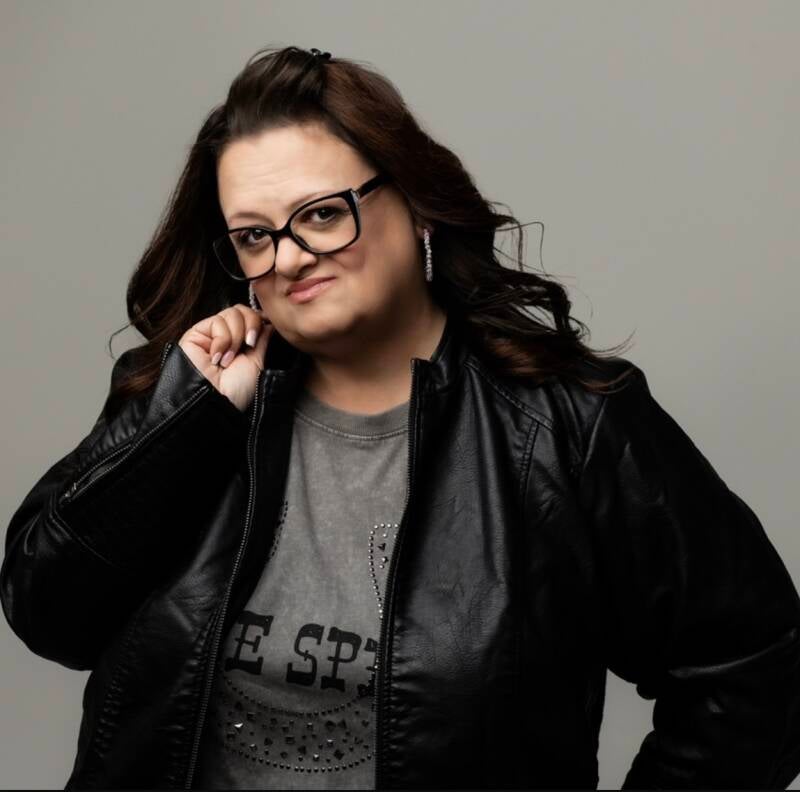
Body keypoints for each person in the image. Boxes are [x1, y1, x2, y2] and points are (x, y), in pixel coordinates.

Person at [2, 44, 800, 791]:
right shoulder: (193, 402)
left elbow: (757, 670)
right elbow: (50, 617)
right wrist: (181, 421)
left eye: (322, 214)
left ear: (417, 205)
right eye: (253, 235)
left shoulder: (566, 428)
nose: (288, 257)